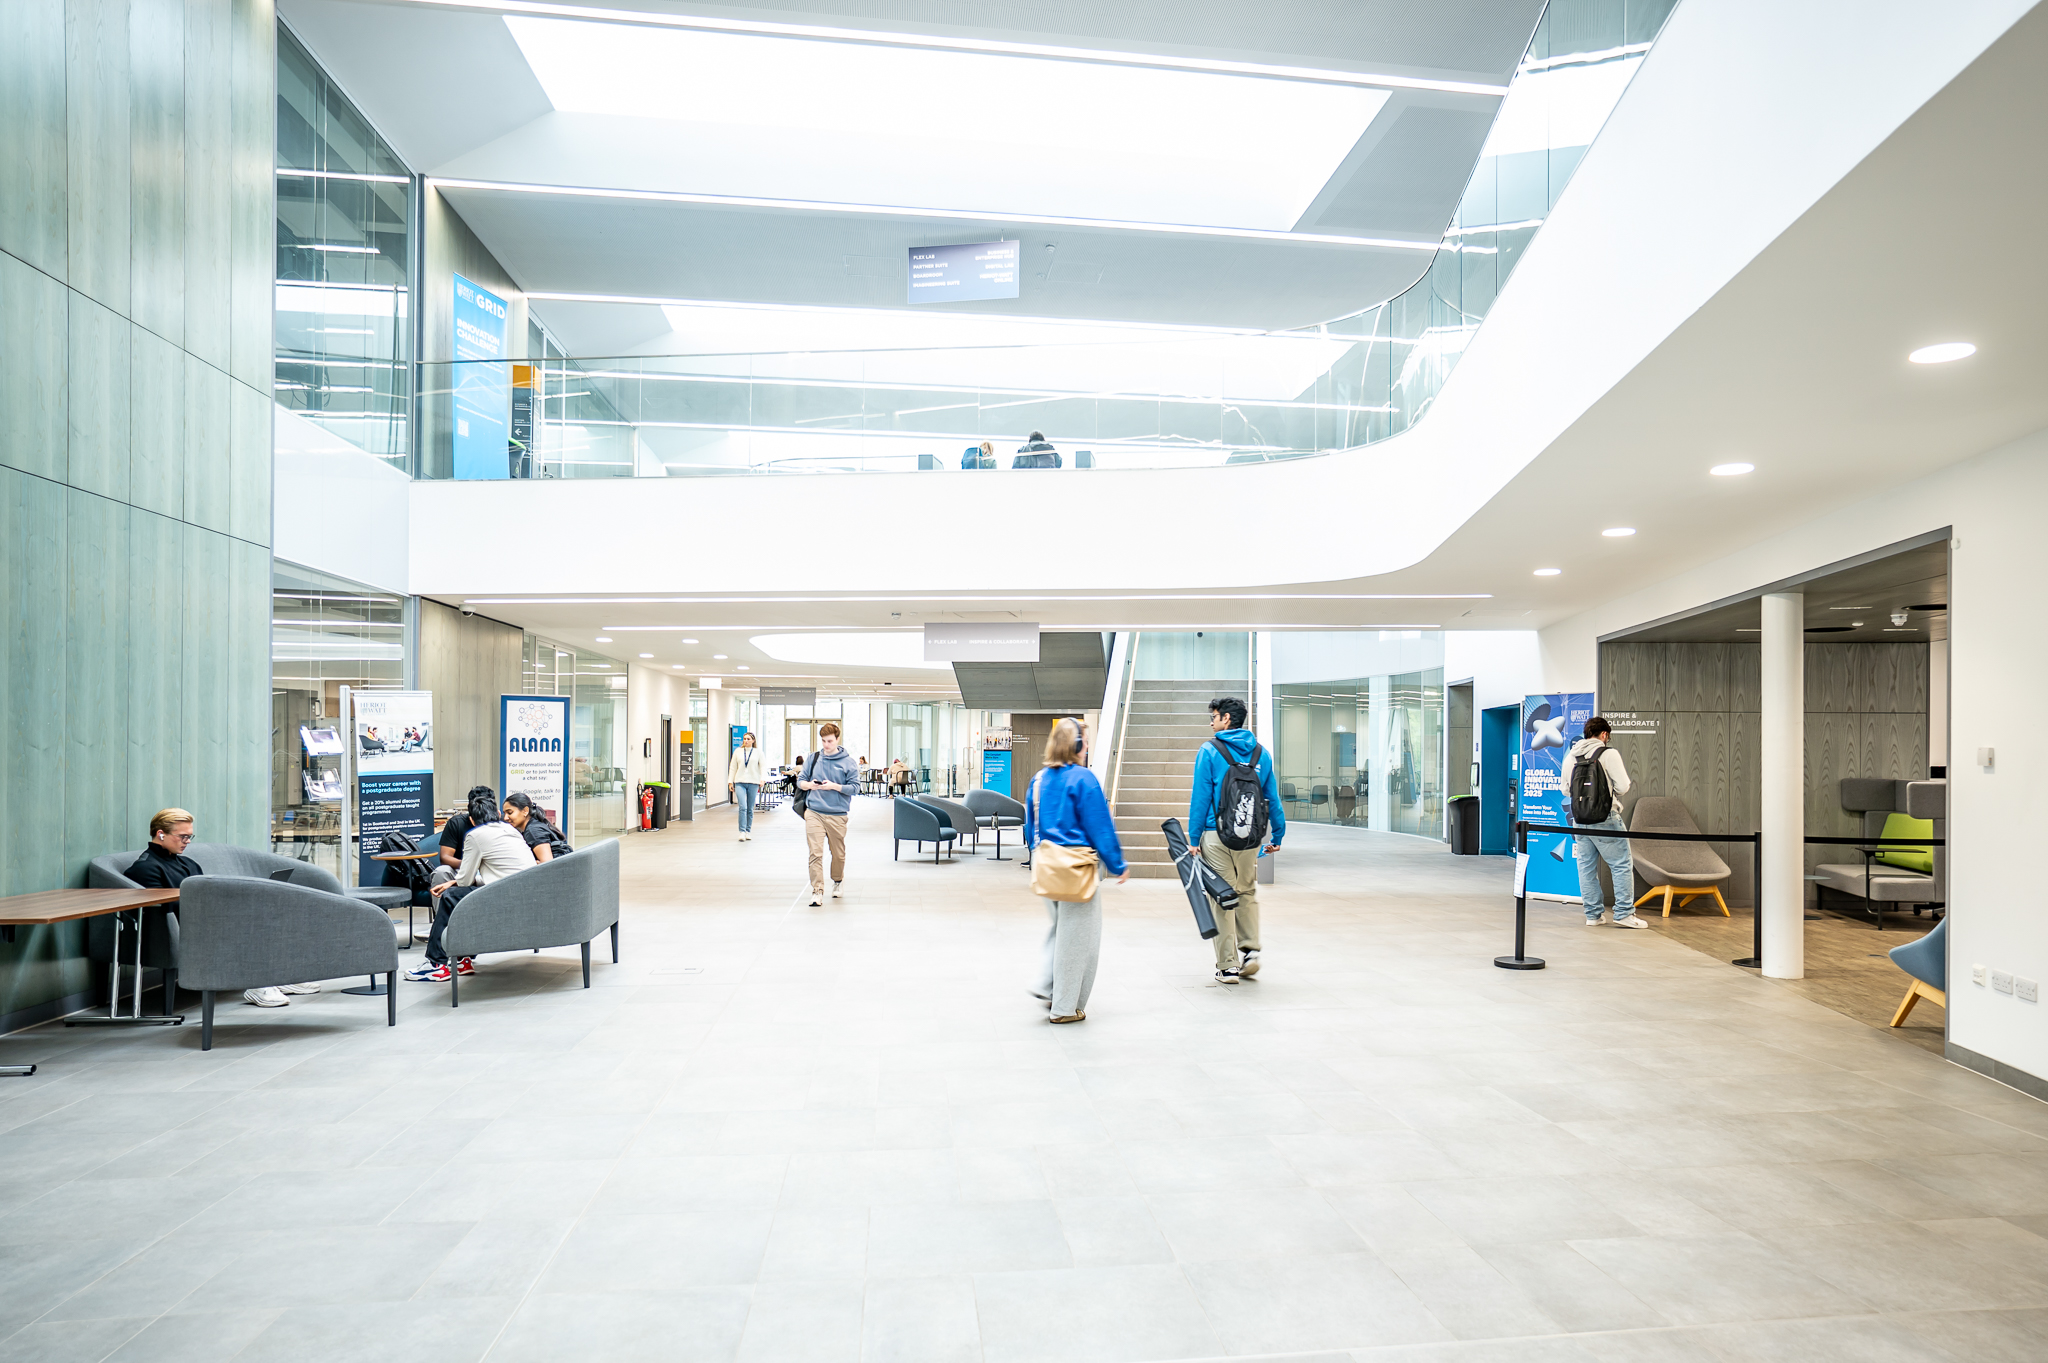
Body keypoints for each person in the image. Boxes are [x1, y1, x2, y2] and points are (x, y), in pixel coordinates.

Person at [126, 808, 312, 1008]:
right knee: (250, 922)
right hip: (185, 927)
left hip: (205, 919)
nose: (187, 842)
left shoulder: (187, 863)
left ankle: (277, 975)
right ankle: (258, 983)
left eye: (190, 836)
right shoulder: (146, 868)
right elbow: (164, 909)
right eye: (182, 837)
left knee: (266, 913)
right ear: (161, 834)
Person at [1022, 719, 1127, 1023]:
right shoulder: (1084, 779)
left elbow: (1031, 826)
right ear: (1077, 745)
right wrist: (1117, 863)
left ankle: (1047, 986)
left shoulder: (1039, 779)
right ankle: (1064, 1009)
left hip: (1045, 867)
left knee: (1060, 931)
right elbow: (1100, 827)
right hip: (1077, 870)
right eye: (1085, 740)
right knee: (1079, 941)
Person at [1189, 696, 1285, 984]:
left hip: (1215, 834)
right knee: (1246, 892)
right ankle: (1252, 951)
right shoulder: (1261, 754)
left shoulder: (1209, 750)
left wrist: (1194, 838)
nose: (1211, 722)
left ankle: (1228, 965)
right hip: (1249, 837)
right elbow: (1272, 798)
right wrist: (1278, 833)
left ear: (1226, 719)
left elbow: (1201, 797)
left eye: (1214, 717)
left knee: (1223, 897)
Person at [406, 791, 532, 982]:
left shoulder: (475, 835)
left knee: (450, 897)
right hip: (523, 892)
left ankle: (436, 964)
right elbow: (498, 873)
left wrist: (454, 883)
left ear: (472, 820)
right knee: (457, 893)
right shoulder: (511, 830)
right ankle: (463, 957)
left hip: (504, 895)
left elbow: (465, 880)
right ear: (497, 813)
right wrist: (454, 881)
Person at [1564, 717, 1644, 927]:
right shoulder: (1608, 753)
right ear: (1604, 735)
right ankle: (1624, 913)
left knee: (1586, 867)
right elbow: (1624, 786)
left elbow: (1565, 789)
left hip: (1580, 819)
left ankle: (1593, 915)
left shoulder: (1571, 755)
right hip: (1605, 817)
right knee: (1621, 865)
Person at [796, 721, 859, 907]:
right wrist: (810, 785)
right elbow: (800, 781)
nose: (826, 745)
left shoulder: (848, 762)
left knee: (838, 854)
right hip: (814, 811)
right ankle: (817, 890)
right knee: (815, 853)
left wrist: (835, 786)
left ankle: (837, 880)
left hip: (837, 814)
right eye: (823, 741)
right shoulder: (813, 758)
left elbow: (855, 788)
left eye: (830, 741)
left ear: (837, 739)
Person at [435, 785, 499, 874]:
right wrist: (470, 865)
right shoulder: (457, 823)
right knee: (441, 872)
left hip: (494, 869)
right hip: (462, 867)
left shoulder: (502, 824)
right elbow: (445, 857)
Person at [503, 793, 571, 861]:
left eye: (510, 812)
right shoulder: (534, 826)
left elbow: (546, 864)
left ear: (525, 811)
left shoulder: (533, 830)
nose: (505, 818)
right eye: (504, 813)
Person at [726, 733, 768, 841]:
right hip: (740, 782)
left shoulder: (758, 752)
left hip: (753, 782)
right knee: (742, 807)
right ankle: (742, 831)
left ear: (753, 740)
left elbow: (763, 767)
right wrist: (730, 782)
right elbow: (733, 767)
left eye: (748, 739)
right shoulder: (738, 752)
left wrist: (762, 779)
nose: (746, 741)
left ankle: (748, 831)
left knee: (750, 808)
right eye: (744, 739)